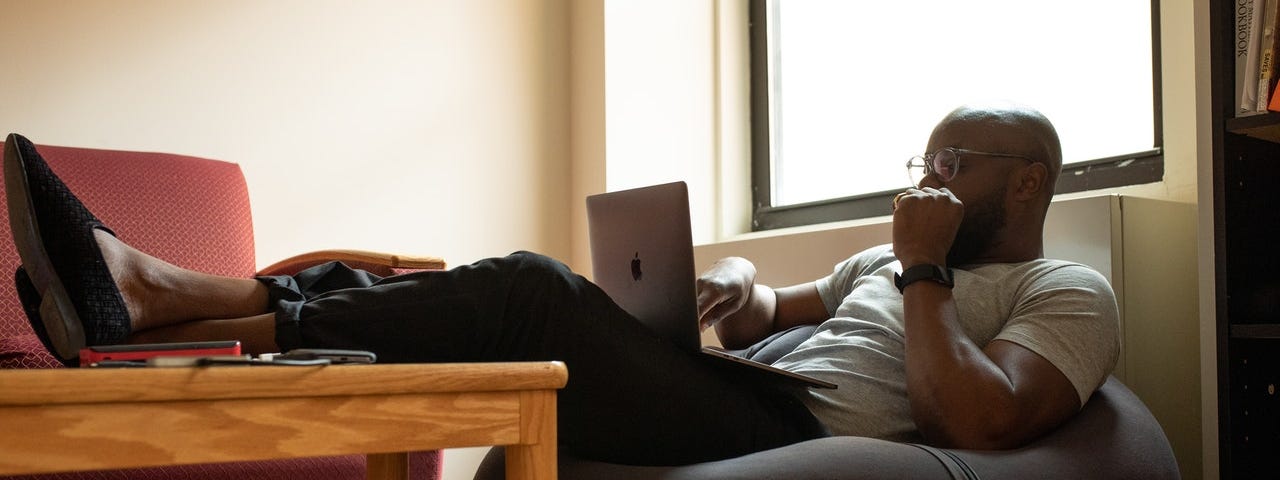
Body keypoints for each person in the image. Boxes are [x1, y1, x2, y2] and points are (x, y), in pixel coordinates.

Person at [4, 103, 1116, 466]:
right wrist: (731, 283)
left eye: (949, 166)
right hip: (745, 385)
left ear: (1024, 184)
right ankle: (159, 301)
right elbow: (778, 314)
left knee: (527, 292)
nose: (924, 181)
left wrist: (920, 264)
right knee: (455, 295)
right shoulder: (880, 262)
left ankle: (157, 297)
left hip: (781, 430)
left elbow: (971, 417)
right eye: (923, 161)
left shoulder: (1065, 293)